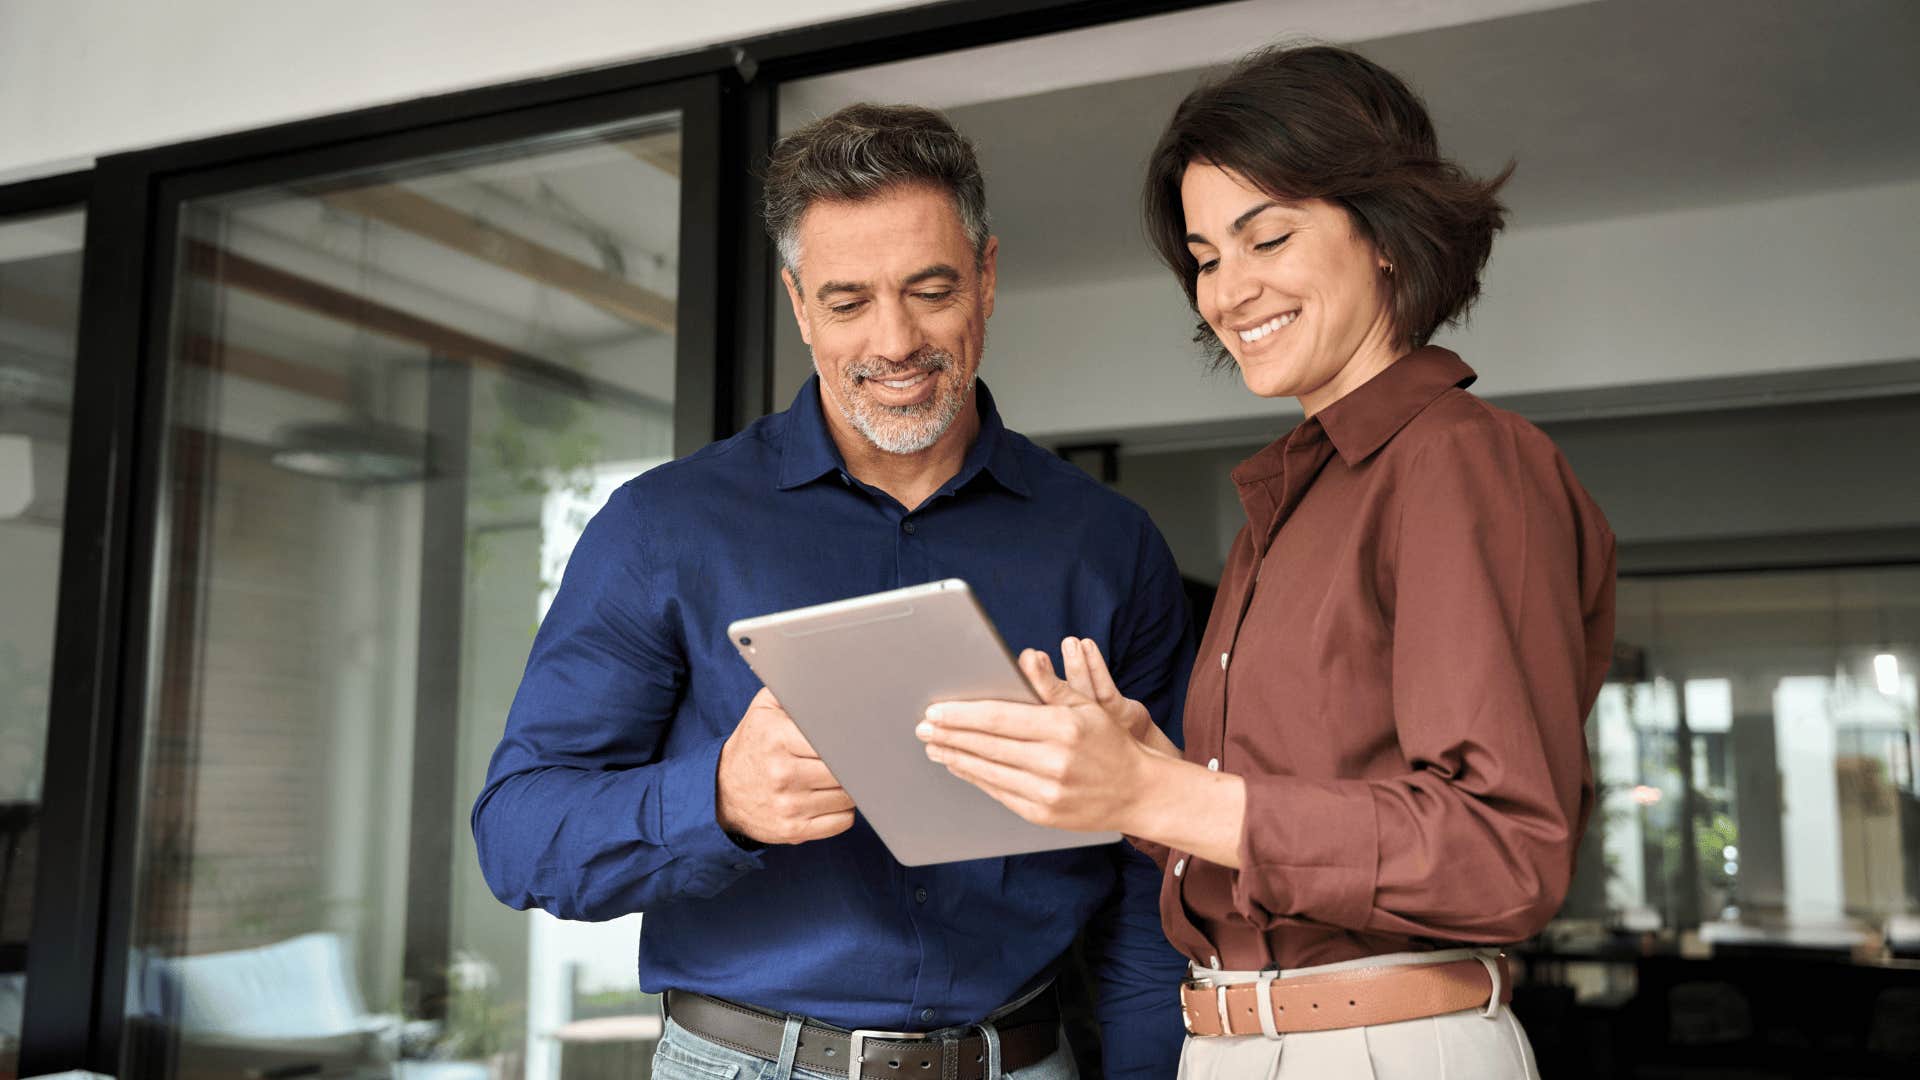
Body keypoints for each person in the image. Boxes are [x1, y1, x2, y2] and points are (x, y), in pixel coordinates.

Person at [917, 45, 1616, 1078]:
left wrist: (1160, 799)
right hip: (1249, 1039)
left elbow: (1503, 847)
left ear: (1383, 234)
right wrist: (1145, 772)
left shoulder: (1459, 460)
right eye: (1205, 257)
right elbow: (1276, 841)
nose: (1228, 290)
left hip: (1378, 1045)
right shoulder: (1290, 503)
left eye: (1267, 238)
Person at [472, 103, 1193, 1080]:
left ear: (987, 277)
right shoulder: (663, 529)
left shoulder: (1109, 546)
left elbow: (1156, 875)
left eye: (931, 290)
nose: (894, 341)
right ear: (799, 302)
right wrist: (717, 798)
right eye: (848, 302)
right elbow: (518, 836)